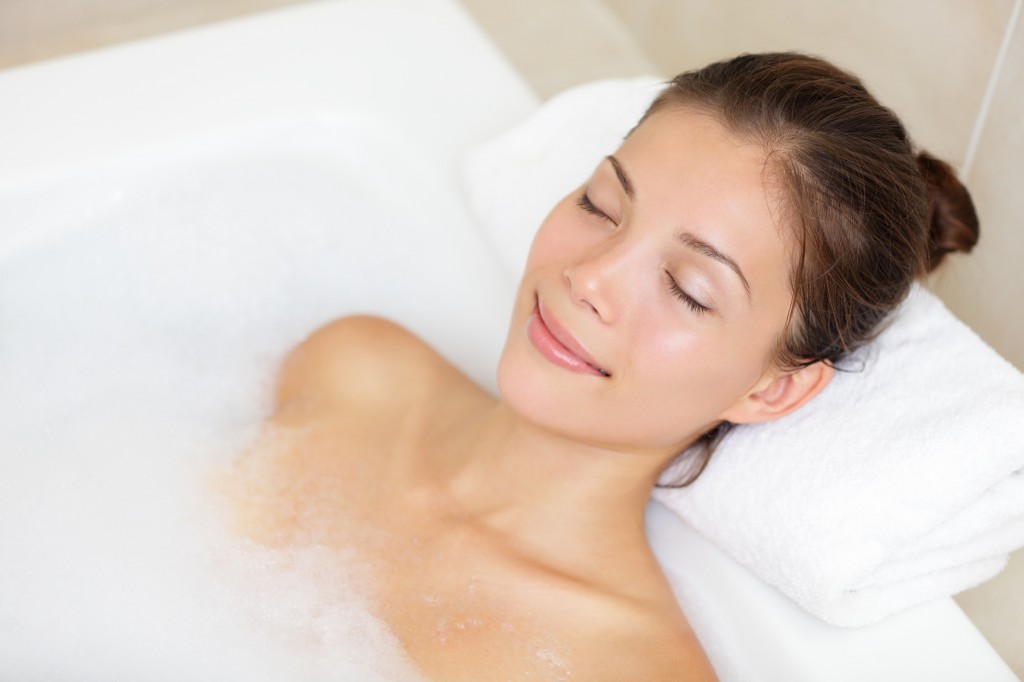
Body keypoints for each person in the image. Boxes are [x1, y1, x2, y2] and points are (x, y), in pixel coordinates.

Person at [226, 53, 978, 681]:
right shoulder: (354, 370)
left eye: (687, 288)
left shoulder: (619, 667)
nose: (591, 276)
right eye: (600, 204)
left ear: (772, 388)